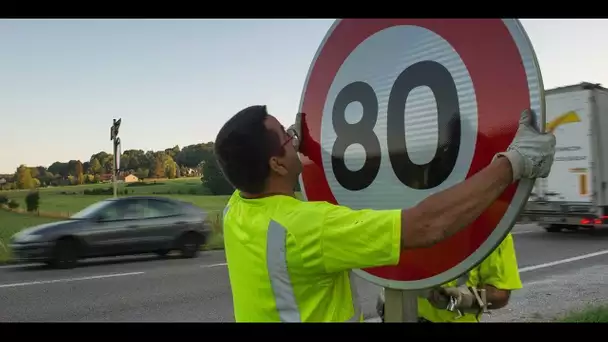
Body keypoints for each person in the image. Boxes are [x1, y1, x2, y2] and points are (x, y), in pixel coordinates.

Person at [214, 104, 555, 322]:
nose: (294, 137)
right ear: (274, 163)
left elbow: (255, 166)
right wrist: (514, 163)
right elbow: (425, 225)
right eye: (287, 139)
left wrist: (296, 144)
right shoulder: (311, 227)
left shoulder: (236, 209)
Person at [375, 233, 522, 323]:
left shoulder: (490, 231)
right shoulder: (407, 218)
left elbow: (500, 295)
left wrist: (463, 298)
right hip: (395, 315)